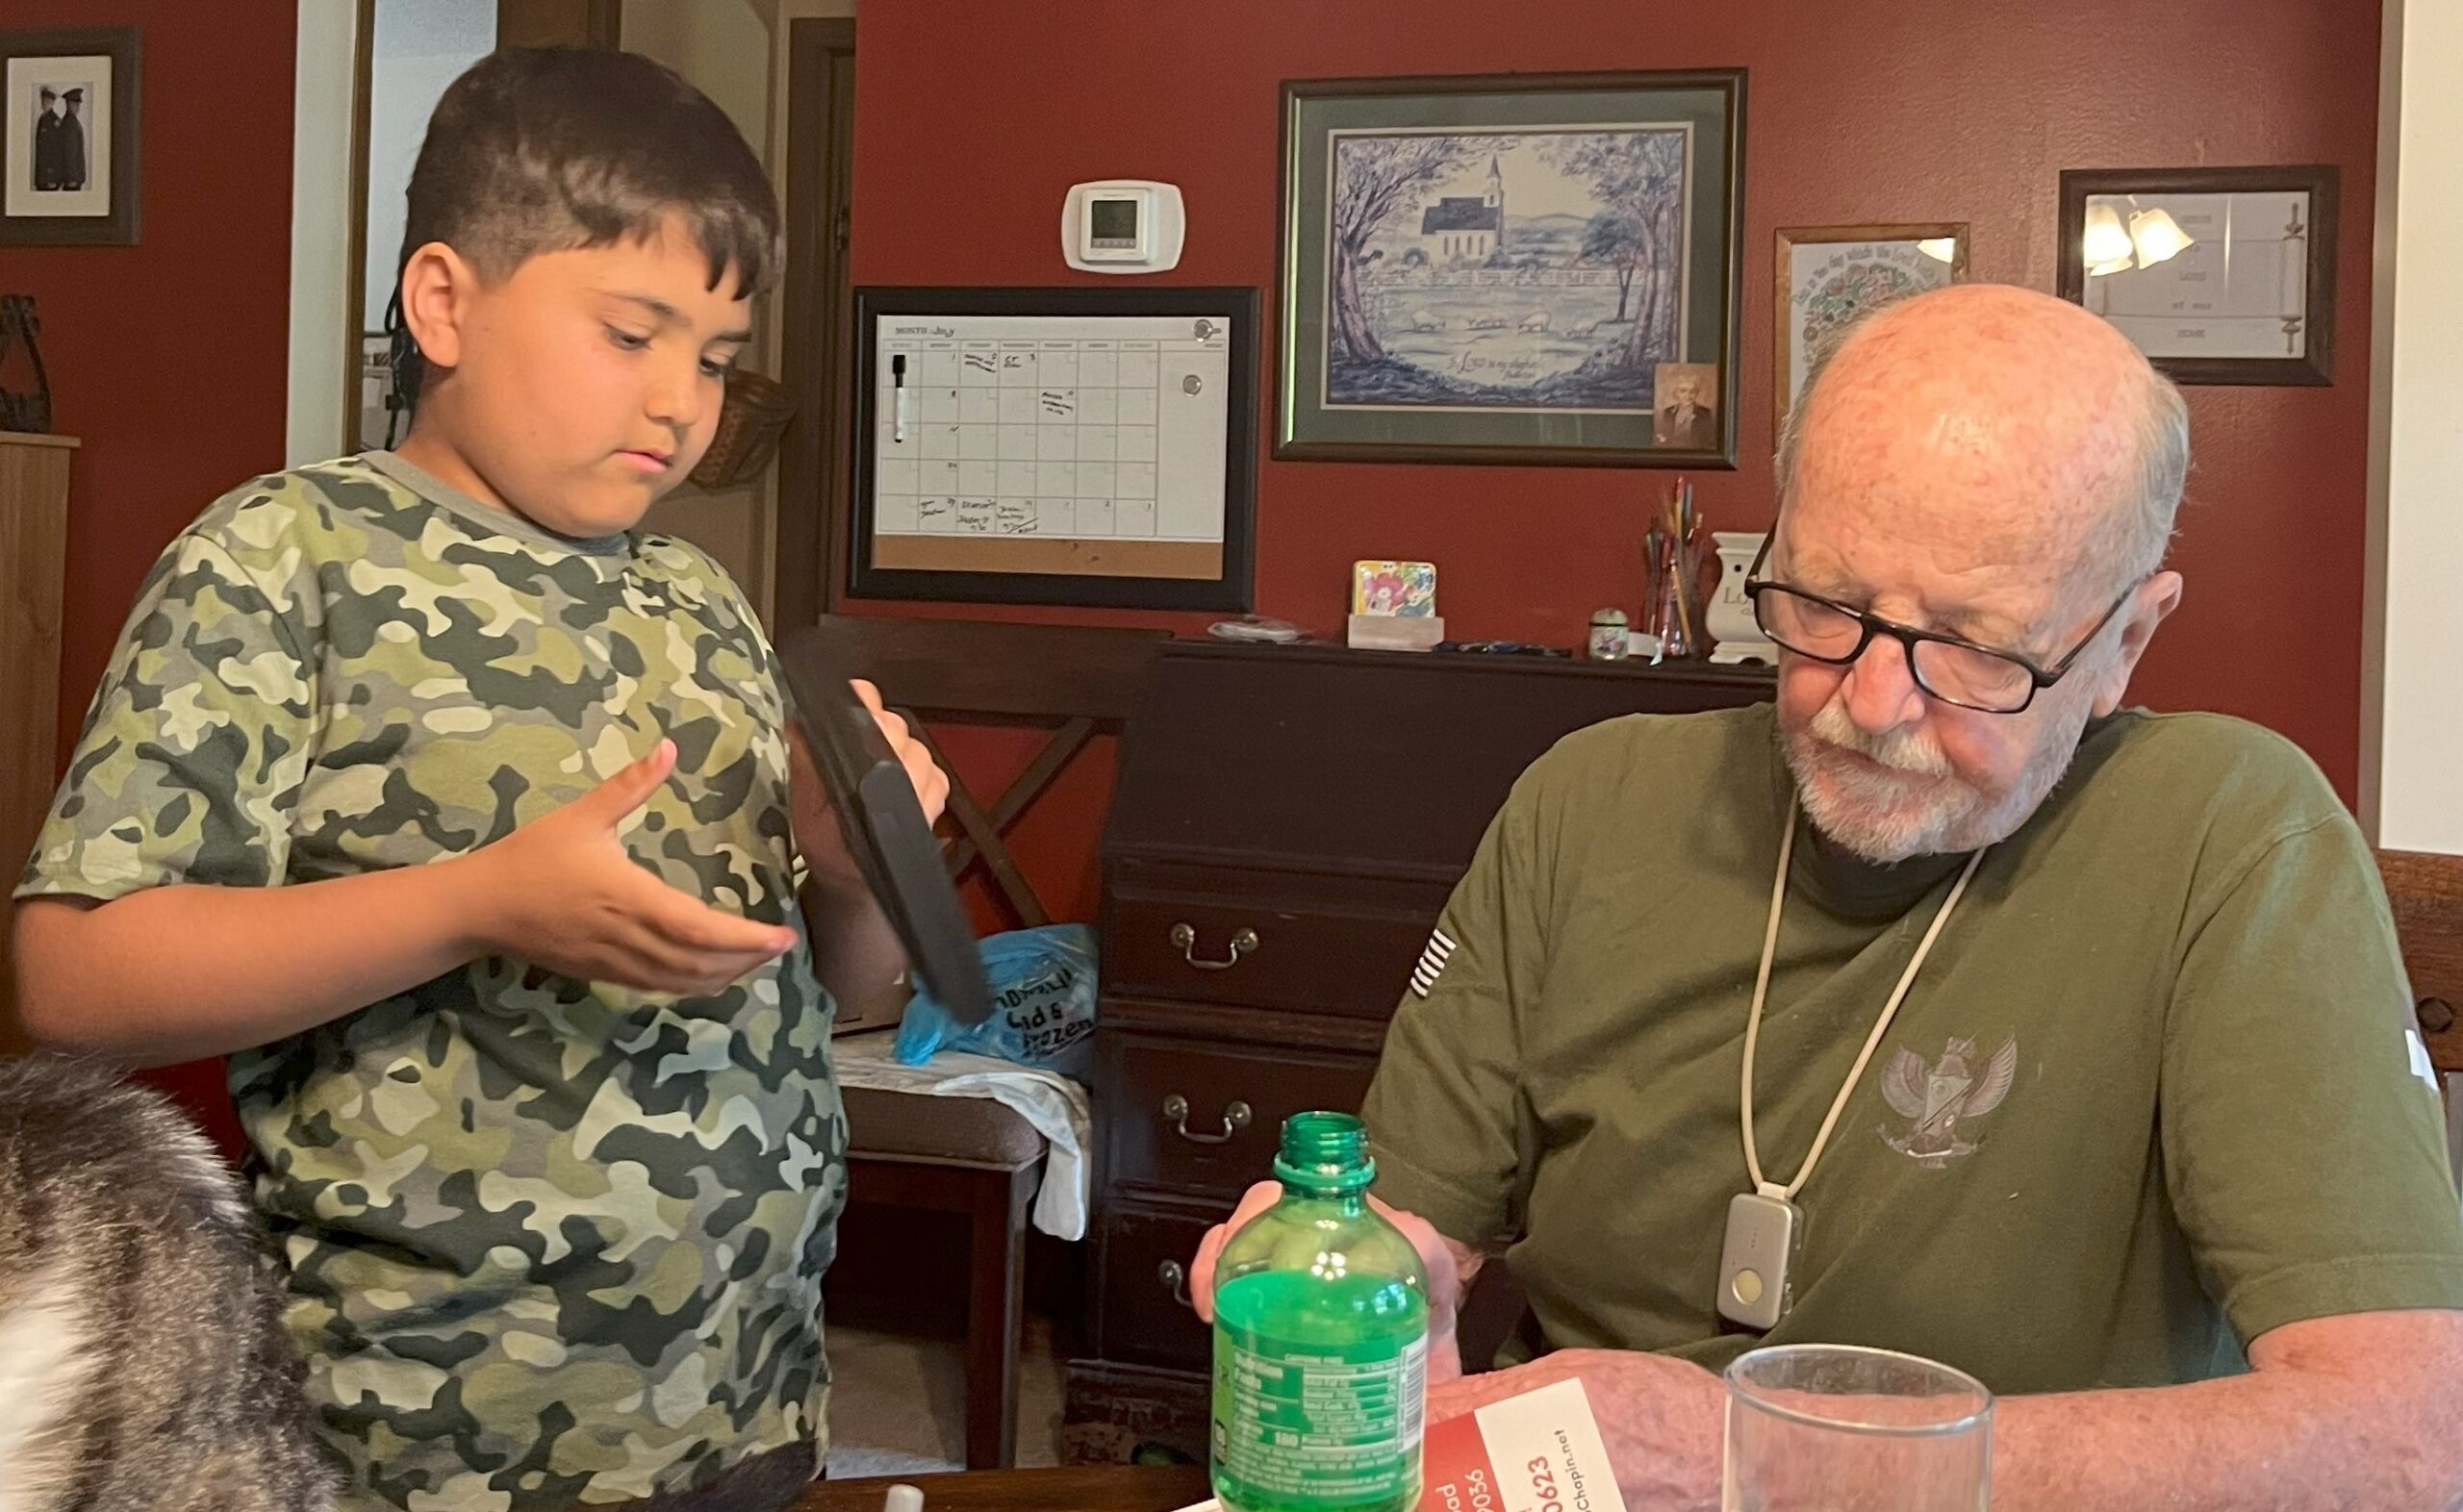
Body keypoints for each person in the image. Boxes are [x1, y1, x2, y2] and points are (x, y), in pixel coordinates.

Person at [1195, 285, 2463, 1509]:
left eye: (1972, 647)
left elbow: (2403, 1442)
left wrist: (1774, 1459)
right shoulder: (1591, 800)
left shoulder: (2230, 836)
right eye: (1823, 607)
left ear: (2127, 641)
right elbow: (1420, 1224)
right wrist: (1375, 1269)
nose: (1868, 705)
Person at [11, 47, 948, 1512]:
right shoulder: (283, 560)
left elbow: (850, 997)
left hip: (751, 1405)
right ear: (443, 304)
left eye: (711, 356)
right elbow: (73, 979)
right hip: (427, 1444)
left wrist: (847, 868)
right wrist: (475, 904)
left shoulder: (702, 598)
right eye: (631, 333)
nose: (681, 403)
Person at [1656, 368, 1715, 449]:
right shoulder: (1667, 412)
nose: (1688, 395)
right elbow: (1662, 437)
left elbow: (1708, 441)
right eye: (1683, 391)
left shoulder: (1705, 413)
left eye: (1692, 391)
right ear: (1676, 393)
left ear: (1697, 393)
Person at [32, 86, 63, 192]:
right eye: (43, 100)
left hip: (50, 177)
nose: (44, 103)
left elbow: (57, 151)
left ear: (53, 102)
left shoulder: (55, 121)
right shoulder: (42, 119)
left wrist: (52, 177)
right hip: (42, 176)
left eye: (48, 101)